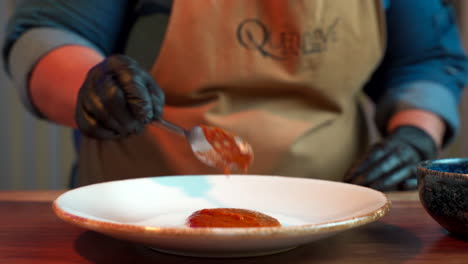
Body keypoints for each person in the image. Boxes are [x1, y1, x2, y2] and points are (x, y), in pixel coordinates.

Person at [3, 0, 467, 190]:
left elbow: (426, 59)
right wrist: (91, 86)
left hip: (333, 215)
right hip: (139, 221)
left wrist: (414, 140)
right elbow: (46, 32)